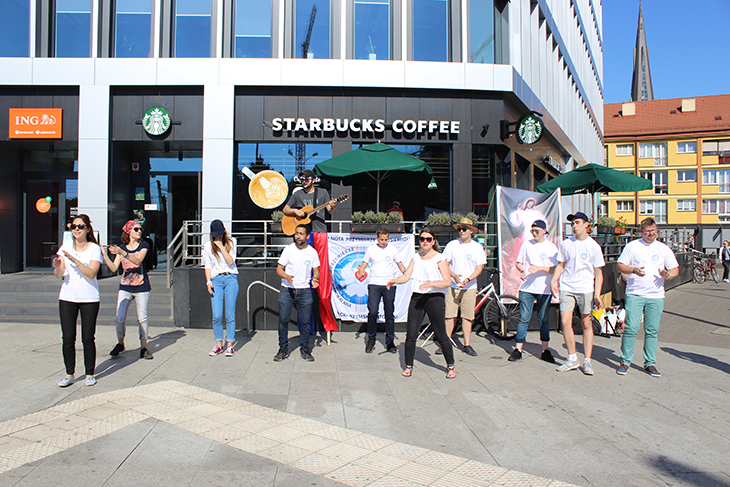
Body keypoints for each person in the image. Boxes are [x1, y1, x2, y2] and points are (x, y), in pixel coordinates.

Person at [387, 228, 456, 379]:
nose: (425, 242)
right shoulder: (416, 257)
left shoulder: (440, 258)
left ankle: (450, 366)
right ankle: (408, 366)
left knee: (441, 333)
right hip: (417, 297)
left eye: (428, 239)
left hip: (434, 298)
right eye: (422, 239)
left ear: (433, 241)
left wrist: (430, 283)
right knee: (411, 334)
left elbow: (447, 281)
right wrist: (394, 281)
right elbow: (406, 276)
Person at [616, 218, 679, 377]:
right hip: (635, 293)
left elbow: (675, 269)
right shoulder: (633, 246)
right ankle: (625, 361)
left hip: (656, 295)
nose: (651, 234)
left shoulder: (663, 248)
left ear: (657, 231)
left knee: (652, 330)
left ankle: (650, 363)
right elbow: (620, 265)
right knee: (631, 328)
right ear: (641, 232)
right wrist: (633, 270)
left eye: (654, 231)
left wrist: (668, 275)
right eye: (648, 231)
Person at [283, 169, 337, 335]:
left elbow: (330, 211)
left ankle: (326, 321)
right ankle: (307, 330)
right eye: (302, 178)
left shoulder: (322, 192)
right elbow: (285, 209)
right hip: (305, 234)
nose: (304, 180)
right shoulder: (298, 194)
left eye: (306, 178)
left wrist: (332, 206)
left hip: (319, 233)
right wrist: (296, 211)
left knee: (318, 271)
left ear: (313, 179)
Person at [550, 212, 605, 375]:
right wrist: (554, 280)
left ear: (586, 225)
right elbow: (560, 264)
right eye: (573, 223)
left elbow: (599, 272)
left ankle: (587, 360)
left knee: (586, 323)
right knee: (566, 323)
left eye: (577, 222)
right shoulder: (566, 243)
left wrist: (597, 293)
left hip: (586, 288)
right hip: (567, 286)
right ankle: (572, 358)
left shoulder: (594, 246)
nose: (574, 226)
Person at [52, 214, 103, 387]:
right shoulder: (65, 247)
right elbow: (60, 275)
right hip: (67, 296)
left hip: (89, 298)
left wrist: (74, 259)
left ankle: (89, 374)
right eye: (73, 226)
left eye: (80, 226)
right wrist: (58, 267)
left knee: (87, 337)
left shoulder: (94, 248)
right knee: (68, 337)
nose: (76, 229)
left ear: (88, 229)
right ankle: (69, 374)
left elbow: (91, 273)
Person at [509, 220, 559, 363]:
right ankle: (518, 349)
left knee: (543, 319)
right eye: (532, 231)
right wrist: (522, 270)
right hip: (527, 287)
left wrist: (539, 268)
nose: (534, 234)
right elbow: (519, 263)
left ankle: (545, 350)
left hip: (543, 288)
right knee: (524, 318)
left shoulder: (551, 247)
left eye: (537, 231)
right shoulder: (527, 244)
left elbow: (555, 268)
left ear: (544, 231)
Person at [103, 220, 153, 360]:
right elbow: (114, 268)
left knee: (142, 318)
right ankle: (120, 343)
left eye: (140, 229)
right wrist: (104, 255)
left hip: (142, 287)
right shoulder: (122, 247)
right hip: (125, 287)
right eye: (136, 229)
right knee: (120, 318)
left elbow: (137, 261)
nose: (139, 231)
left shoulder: (144, 245)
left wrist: (122, 253)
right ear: (128, 231)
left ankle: (143, 347)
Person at [274, 224, 320, 362]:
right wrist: (286, 276)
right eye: (296, 233)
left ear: (307, 236)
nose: (298, 236)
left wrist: (315, 279)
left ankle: (305, 349)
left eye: (301, 234)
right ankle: (283, 348)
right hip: (287, 290)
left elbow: (316, 270)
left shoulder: (312, 252)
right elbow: (279, 269)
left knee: (305, 322)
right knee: (283, 320)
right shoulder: (288, 250)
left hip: (305, 290)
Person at [356, 228, 407, 354]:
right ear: (377, 238)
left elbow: (400, 265)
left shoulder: (393, 249)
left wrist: (406, 273)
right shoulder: (371, 250)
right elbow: (363, 265)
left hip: (389, 284)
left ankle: (390, 342)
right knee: (372, 312)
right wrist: (361, 273)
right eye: (382, 239)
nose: (384, 242)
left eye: (386, 239)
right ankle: (371, 339)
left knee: (389, 313)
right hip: (374, 284)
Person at [442, 217, 486, 356]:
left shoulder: (477, 247)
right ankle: (446, 342)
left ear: (471, 231)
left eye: (464, 229)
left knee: (467, 316)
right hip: (453, 285)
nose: (461, 231)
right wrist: (452, 274)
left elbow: (479, 268)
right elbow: (444, 263)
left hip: (470, 286)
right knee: (449, 315)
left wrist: (468, 279)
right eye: (459, 229)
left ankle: (467, 344)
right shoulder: (452, 245)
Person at [203, 220, 239, 357]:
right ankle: (218, 344)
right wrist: (208, 281)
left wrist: (221, 247)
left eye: (219, 235)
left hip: (230, 279)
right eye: (215, 236)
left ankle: (229, 344)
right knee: (217, 315)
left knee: (230, 314)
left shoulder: (231, 242)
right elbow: (208, 265)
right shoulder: (207, 246)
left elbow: (231, 261)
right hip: (216, 279)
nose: (217, 238)